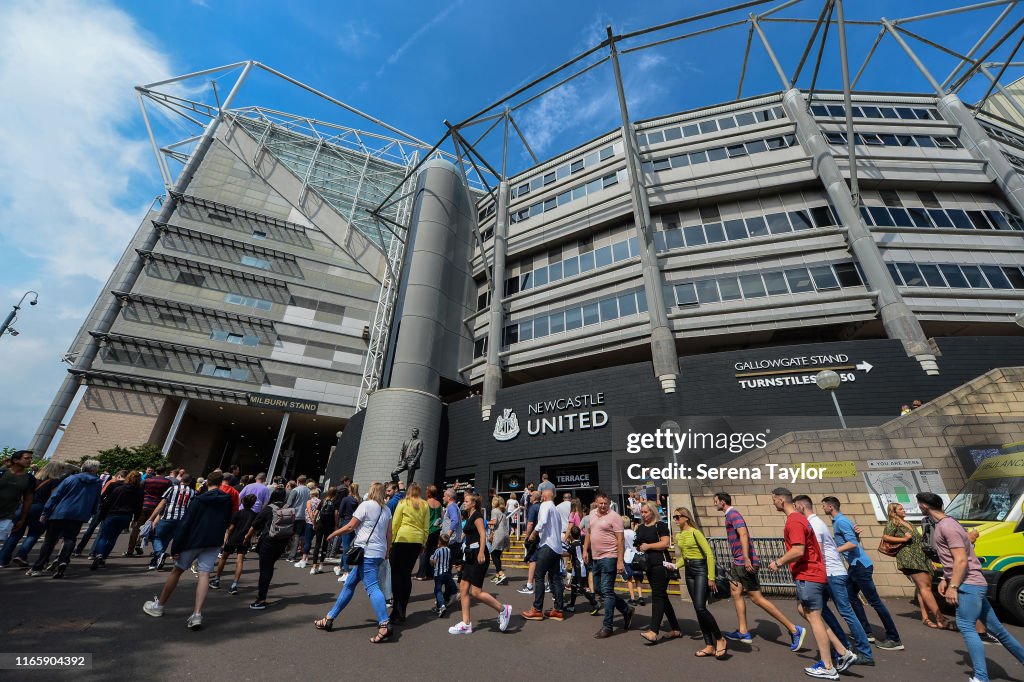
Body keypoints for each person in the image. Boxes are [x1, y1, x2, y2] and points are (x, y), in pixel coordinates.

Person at [916, 492, 1024, 682]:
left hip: (968, 585)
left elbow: (961, 560)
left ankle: (981, 677)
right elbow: (961, 553)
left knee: (967, 627)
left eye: (919, 505)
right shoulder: (950, 523)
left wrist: (953, 585)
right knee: (998, 630)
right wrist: (946, 579)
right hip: (972, 583)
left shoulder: (946, 527)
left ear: (924, 507)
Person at [142, 471, 233, 629]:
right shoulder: (227, 500)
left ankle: (159, 606)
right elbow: (227, 520)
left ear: (207, 483)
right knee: (204, 573)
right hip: (213, 541)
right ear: (221, 483)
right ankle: (197, 613)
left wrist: (176, 547)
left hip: (194, 539)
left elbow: (186, 523)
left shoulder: (198, 500)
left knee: (177, 571)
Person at [713, 491, 805, 649]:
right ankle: (743, 631)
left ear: (722, 502)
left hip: (744, 562)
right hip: (738, 562)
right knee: (735, 591)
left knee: (756, 598)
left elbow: (743, 534)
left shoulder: (733, 514)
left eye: (715, 501)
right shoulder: (729, 515)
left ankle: (794, 629)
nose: (714, 504)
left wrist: (746, 557)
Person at [767, 488, 838, 680]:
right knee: (803, 610)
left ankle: (828, 666)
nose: (773, 503)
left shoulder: (794, 521)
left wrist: (778, 562)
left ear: (781, 500)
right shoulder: (798, 519)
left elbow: (798, 550)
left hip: (809, 574)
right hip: (809, 574)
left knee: (814, 619)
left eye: (774, 500)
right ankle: (842, 651)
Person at [793, 496, 869, 669]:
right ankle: (843, 648)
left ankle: (864, 652)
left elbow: (817, 553)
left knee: (844, 611)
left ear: (799, 506)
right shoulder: (816, 522)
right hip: (829, 573)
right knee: (820, 612)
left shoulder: (814, 524)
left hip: (832, 573)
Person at [315, 482, 393, 642]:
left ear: (371, 491)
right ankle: (329, 618)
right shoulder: (387, 510)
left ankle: (384, 624)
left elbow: (351, 526)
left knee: (372, 587)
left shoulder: (366, 505)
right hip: (378, 552)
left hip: (366, 552)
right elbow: (389, 534)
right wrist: (386, 552)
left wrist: (333, 533)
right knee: (349, 584)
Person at [822, 495, 903, 650]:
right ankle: (866, 632)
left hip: (860, 566)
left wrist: (834, 551)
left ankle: (894, 638)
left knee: (875, 602)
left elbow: (852, 543)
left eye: (824, 506)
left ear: (830, 507)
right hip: (854, 566)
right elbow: (855, 540)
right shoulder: (840, 522)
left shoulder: (841, 522)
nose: (823, 508)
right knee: (851, 596)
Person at [448, 492, 512, 635]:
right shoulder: (469, 515)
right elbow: (469, 534)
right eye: (464, 501)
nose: (464, 503)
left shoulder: (477, 515)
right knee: (463, 588)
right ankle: (466, 624)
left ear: (473, 503)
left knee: (476, 592)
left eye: (466, 501)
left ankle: (503, 609)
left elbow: (483, 533)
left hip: (478, 557)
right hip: (469, 557)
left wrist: (482, 552)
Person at [27, 459, 102, 579]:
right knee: (70, 538)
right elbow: (97, 500)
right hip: (80, 514)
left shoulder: (71, 478)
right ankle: (63, 561)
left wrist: (46, 511)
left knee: (49, 540)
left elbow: (56, 495)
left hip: (60, 512)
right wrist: (91, 512)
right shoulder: (98, 483)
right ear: (95, 470)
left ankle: (38, 567)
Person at [882, 502, 951, 630]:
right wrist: (903, 539)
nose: (904, 510)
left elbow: (919, 543)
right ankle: (939, 618)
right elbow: (886, 537)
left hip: (921, 557)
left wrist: (929, 560)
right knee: (925, 587)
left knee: (922, 588)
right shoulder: (893, 523)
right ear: (894, 512)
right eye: (900, 509)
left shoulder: (909, 524)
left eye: (903, 508)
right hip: (909, 558)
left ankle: (925, 617)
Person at [672, 507, 726, 658]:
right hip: (689, 571)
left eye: (677, 517)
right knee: (697, 608)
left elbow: (709, 554)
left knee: (701, 607)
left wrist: (711, 577)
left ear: (686, 518)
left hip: (701, 569)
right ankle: (709, 645)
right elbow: (685, 556)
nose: (675, 520)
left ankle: (720, 638)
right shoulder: (680, 535)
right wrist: (675, 565)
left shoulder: (695, 533)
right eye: (674, 517)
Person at [583, 490, 633, 637]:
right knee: (598, 589)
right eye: (601, 503)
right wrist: (585, 550)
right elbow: (589, 533)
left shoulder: (615, 517)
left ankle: (608, 626)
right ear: (596, 503)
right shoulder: (592, 514)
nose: (603, 506)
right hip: (596, 557)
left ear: (609, 503)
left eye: (606, 503)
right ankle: (626, 609)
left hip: (610, 557)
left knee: (606, 591)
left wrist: (619, 561)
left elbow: (620, 539)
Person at [1, 460, 65, 568]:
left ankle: (2, 559)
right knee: (34, 534)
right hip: (40, 507)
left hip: (24, 506)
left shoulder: (33, 479)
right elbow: (53, 498)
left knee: (15, 533)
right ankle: (21, 555)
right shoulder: (55, 481)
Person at [633, 501, 681, 644]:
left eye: (646, 512)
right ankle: (675, 629)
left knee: (657, 596)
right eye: (642, 512)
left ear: (653, 512)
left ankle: (653, 631)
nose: (643, 514)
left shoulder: (660, 525)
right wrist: (639, 547)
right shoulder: (640, 527)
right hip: (648, 565)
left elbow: (665, 543)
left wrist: (648, 546)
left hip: (661, 564)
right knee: (662, 597)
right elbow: (638, 543)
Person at [521, 486, 565, 621]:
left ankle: (537, 609)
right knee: (555, 578)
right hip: (557, 548)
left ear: (544, 498)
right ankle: (558, 610)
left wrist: (534, 533)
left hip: (547, 546)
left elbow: (542, 521)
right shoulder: (555, 509)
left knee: (539, 576)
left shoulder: (545, 505)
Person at [390, 482, 429, 622]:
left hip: (401, 539)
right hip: (416, 541)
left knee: (395, 574)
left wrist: (391, 541)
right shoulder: (425, 505)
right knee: (406, 575)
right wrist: (423, 543)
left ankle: (395, 608)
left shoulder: (403, 502)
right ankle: (402, 611)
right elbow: (426, 526)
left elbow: (395, 523)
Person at [91, 470, 144, 569]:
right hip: (126, 516)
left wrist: (102, 515)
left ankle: (99, 555)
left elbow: (108, 503)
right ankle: (104, 557)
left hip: (112, 514)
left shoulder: (119, 489)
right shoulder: (139, 492)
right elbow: (138, 507)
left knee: (104, 536)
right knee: (113, 538)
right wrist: (135, 520)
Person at [247, 497, 294, 609]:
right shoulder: (288, 509)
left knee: (265, 570)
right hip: (282, 541)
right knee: (269, 566)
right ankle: (262, 596)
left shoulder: (268, 509)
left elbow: (255, 524)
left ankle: (261, 599)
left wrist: (247, 538)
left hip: (269, 541)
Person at [145, 474, 195, 571]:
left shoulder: (172, 488)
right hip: (181, 520)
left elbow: (162, 503)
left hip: (168, 517)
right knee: (166, 539)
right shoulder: (193, 492)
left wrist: (152, 518)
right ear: (190, 481)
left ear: (181, 479)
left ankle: (159, 554)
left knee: (157, 536)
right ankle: (155, 561)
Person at [211, 493, 257, 592]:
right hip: (244, 540)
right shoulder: (254, 515)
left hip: (233, 538)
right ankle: (234, 584)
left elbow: (231, 528)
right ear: (253, 504)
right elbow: (254, 529)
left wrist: (225, 539)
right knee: (239, 561)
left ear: (243, 502)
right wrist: (248, 537)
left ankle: (217, 580)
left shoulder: (237, 513)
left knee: (224, 557)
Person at [74, 470, 124, 556]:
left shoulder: (111, 483)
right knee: (101, 532)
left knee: (91, 528)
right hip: (112, 510)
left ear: (118, 476)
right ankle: (92, 552)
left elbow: (102, 494)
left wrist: (98, 505)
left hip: (102, 508)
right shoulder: (125, 487)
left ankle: (79, 549)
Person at [129, 466, 172, 557]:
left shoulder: (147, 480)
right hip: (157, 507)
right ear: (164, 472)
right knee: (154, 528)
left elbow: (140, 492)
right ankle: (156, 551)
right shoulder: (167, 482)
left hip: (145, 505)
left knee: (137, 528)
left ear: (155, 472)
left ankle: (130, 549)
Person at [0, 449, 35, 553]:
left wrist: (22, 519)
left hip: (7, 516)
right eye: (26, 458)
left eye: (30, 458)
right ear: (15, 460)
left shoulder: (29, 479)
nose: (29, 460)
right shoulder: (2, 473)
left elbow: (28, 500)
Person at [563, 525, 597, 612]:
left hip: (579, 569)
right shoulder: (579, 543)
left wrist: (557, 554)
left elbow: (567, 554)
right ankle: (571, 605)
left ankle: (594, 603)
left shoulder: (575, 545)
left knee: (580, 588)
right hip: (577, 569)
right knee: (574, 587)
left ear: (570, 535)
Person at [415, 484, 443, 580]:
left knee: (424, 552)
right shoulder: (439, 504)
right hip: (436, 530)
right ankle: (430, 573)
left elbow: (421, 517)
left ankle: (421, 574)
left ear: (428, 492)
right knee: (432, 552)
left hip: (427, 530)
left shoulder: (425, 503)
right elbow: (441, 518)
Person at [516, 489, 541, 595]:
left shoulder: (533, 508)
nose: (529, 497)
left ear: (534, 498)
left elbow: (530, 523)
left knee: (532, 560)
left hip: (534, 538)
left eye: (531, 496)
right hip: (543, 537)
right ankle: (549, 584)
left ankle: (530, 585)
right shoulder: (543, 507)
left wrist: (527, 536)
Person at [309, 487, 338, 575]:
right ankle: (321, 565)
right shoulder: (335, 502)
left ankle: (314, 567)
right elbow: (336, 514)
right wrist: (336, 525)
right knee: (325, 544)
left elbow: (315, 514)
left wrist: (314, 523)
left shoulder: (323, 500)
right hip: (329, 526)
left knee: (317, 544)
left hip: (320, 524)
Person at [335, 482, 360, 580]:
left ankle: (346, 572)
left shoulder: (345, 499)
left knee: (345, 548)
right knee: (348, 546)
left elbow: (340, 512)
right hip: (355, 524)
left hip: (346, 522)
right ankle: (339, 567)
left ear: (350, 489)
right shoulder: (359, 500)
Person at [284, 475, 311, 561]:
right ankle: (297, 553)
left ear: (297, 481)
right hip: (305, 516)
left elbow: (289, 503)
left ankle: (291, 555)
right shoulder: (309, 491)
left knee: (291, 534)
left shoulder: (295, 490)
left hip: (295, 515)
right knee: (300, 535)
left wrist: (281, 510)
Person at [295, 485, 320, 569]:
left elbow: (310, 511)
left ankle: (304, 559)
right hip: (319, 523)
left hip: (310, 523)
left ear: (311, 495)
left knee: (307, 541)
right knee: (316, 542)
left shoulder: (309, 501)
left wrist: (313, 523)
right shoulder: (321, 501)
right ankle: (313, 561)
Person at [431, 532, 455, 617]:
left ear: (439, 542)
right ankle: (439, 606)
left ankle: (441, 606)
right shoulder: (448, 550)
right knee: (445, 586)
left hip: (438, 573)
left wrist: (432, 561)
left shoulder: (438, 551)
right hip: (446, 573)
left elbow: (432, 560)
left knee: (438, 590)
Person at [489, 494, 510, 585]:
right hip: (505, 534)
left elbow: (494, 522)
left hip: (498, 534)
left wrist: (485, 522)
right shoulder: (503, 512)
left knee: (493, 554)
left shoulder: (494, 510)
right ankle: (498, 575)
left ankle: (501, 574)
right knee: (497, 555)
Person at [623, 519, 645, 606]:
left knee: (629, 578)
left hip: (627, 556)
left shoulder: (622, 533)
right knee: (638, 578)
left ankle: (632, 598)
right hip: (636, 556)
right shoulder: (634, 532)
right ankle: (640, 596)